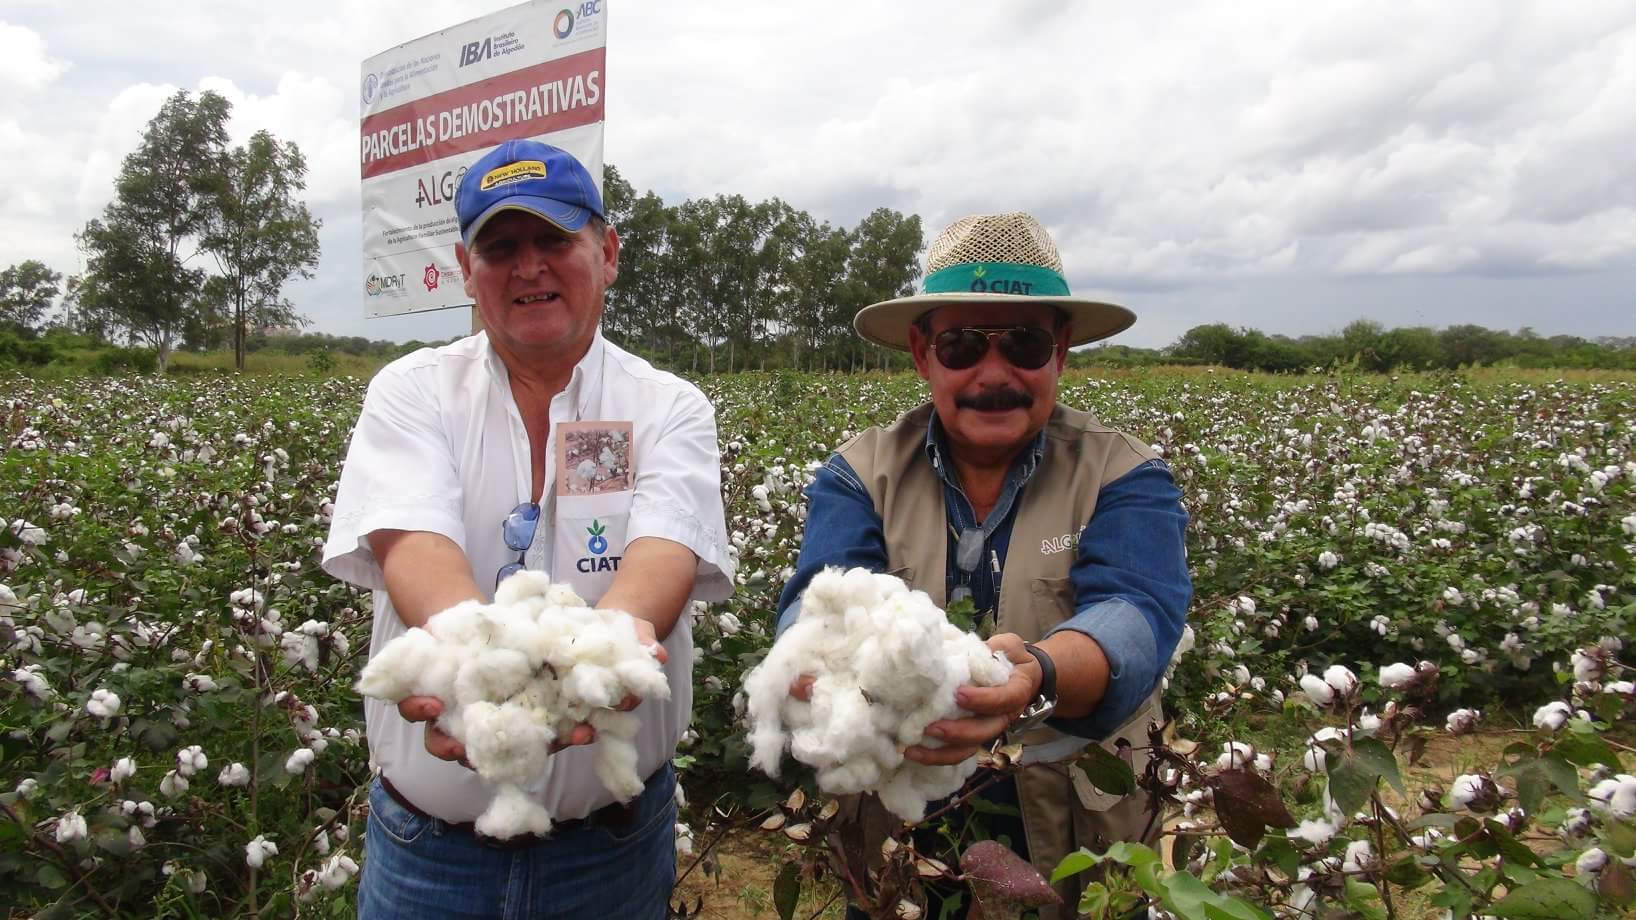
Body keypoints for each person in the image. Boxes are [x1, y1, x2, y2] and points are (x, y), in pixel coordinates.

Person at [323, 138, 735, 919]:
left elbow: (661, 561)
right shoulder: (413, 393)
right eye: (500, 247)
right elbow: (413, 547)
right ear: (464, 268)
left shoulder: (667, 406)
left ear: (607, 253)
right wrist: (481, 684)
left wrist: (580, 676)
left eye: (555, 240)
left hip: (608, 853)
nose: (529, 266)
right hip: (429, 857)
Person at [775, 212, 1191, 918]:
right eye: (963, 345)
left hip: (1075, 839)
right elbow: (817, 604)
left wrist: (1040, 673)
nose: (993, 374)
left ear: (1060, 352)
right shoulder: (858, 475)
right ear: (922, 353)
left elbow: (1137, 613)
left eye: (1024, 344)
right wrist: (810, 669)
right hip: (899, 837)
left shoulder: (1126, 474)